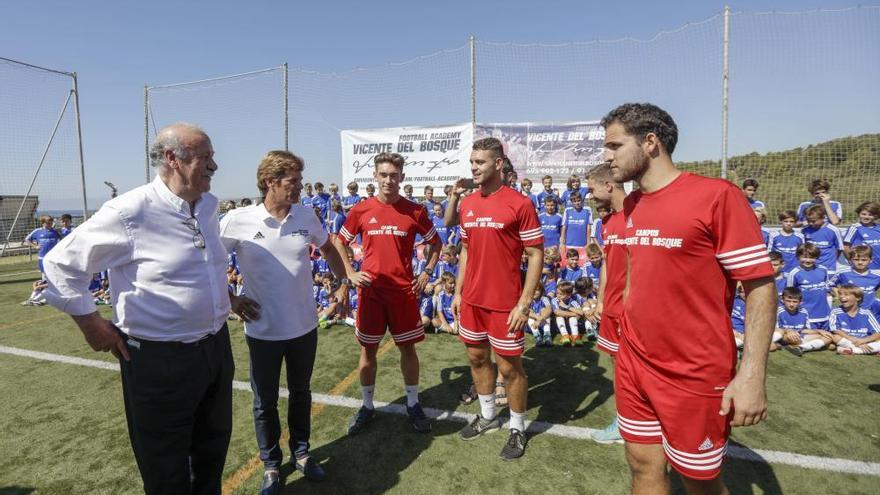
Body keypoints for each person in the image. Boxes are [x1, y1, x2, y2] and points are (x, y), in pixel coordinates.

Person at [41, 123, 234, 494]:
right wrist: (91, 324)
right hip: (159, 361)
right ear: (171, 159)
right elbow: (61, 265)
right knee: (165, 466)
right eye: (205, 157)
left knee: (212, 451)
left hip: (215, 348)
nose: (214, 165)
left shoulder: (208, 205)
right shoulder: (129, 211)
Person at [602, 103, 776, 494]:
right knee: (641, 466)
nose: (606, 155)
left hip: (694, 369)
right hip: (633, 362)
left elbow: (760, 287)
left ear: (650, 143)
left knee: (699, 482)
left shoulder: (717, 197)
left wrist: (751, 375)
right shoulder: (631, 204)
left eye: (614, 145)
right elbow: (636, 277)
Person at [219, 150, 348, 493]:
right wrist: (230, 298)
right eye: (293, 181)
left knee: (301, 393)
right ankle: (272, 465)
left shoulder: (306, 214)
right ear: (269, 182)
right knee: (265, 402)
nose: (300, 187)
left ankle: (303, 454)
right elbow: (209, 262)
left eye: (300, 180)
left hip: (304, 327)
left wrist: (342, 281)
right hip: (262, 330)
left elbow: (330, 247)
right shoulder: (237, 220)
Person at [333, 152, 441, 436]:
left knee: (408, 348)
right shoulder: (360, 210)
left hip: (403, 292)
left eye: (394, 175)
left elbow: (436, 243)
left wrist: (427, 272)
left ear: (402, 178)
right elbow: (338, 241)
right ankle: (367, 406)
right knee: (368, 350)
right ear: (375, 177)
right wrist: (350, 274)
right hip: (371, 293)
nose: (388, 180)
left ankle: (413, 403)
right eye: (383, 175)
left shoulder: (415, 211)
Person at [452, 137, 544, 460]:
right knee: (477, 360)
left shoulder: (519, 203)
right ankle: (488, 415)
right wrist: (458, 291)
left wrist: (524, 303)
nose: (473, 167)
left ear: (498, 164)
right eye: (472, 161)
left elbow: (535, 254)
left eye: (480, 162)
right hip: (473, 302)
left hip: (506, 304)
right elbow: (465, 250)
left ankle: (517, 427)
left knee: (510, 369)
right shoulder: (467, 204)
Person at [586, 162, 627, 445]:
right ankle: (625, 421)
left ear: (608, 186)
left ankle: (637, 422)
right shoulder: (608, 222)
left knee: (637, 367)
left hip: (633, 309)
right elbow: (607, 264)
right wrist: (601, 299)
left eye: (591, 189)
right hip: (611, 307)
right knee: (618, 364)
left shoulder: (641, 215)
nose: (590, 195)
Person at [786, 243, 832, 330]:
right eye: (804, 257)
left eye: (811, 257)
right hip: (807, 315)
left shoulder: (823, 270)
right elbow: (789, 295)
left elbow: (827, 292)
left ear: (817, 257)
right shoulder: (794, 273)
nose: (808, 260)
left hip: (824, 315)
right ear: (798, 257)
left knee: (827, 339)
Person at [830, 284, 880, 355]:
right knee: (835, 337)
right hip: (847, 339)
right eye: (840, 294)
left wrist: (863, 341)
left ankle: (852, 350)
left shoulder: (866, 313)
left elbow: (878, 333)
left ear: (858, 298)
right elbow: (835, 330)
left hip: (864, 340)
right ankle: (869, 350)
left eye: (846, 294)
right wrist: (852, 339)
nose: (841, 296)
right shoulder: (835, 311)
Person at [831, 245, 880, 313]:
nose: (860, 262)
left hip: (871, 312)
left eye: (864, 260)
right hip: (849, 311)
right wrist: (840, 296)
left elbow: (875, 288)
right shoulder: (843, 273)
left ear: (871, 260)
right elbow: (831, 285)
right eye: (856, 259)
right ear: (850, 259)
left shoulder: (877, 275)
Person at [801, 205, 843, 274]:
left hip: (828, 268)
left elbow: (839, 248)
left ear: (823, 217)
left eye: (813, 221)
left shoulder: (833, 230)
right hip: (810, 267)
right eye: (808, 221)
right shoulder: (805, 230)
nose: (811, 223)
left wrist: (831, 260)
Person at [843, 201, 880, 269]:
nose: (866, 217)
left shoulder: (878, 228)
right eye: (863, 214)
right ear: (859, 214)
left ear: (876, 216)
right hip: (863, 268)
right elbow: (845, 247)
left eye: (870, 215)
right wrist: (852, 262)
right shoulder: (855, 228)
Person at [768, 210, 804, 275]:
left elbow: (803, 253)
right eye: (786, 221)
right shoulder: (773, 235)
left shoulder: (800, 236)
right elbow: (769, 252)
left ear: (795, 222)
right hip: (779, 270)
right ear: (781, 221)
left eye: (791, 221)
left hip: (794, 269)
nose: (788, 223)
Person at [560, 191, 591, 263]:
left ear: (582, 200)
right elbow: (564, 227)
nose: (577, 203)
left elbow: (588, 227)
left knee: (582, 265)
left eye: (578, 200)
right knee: (569, 264)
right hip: (569, 245)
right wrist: (562, 243)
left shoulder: (586, 211)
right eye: (574, 201)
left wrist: (588, 243)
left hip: (582, 245)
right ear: (571, 202)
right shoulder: (567, 211)